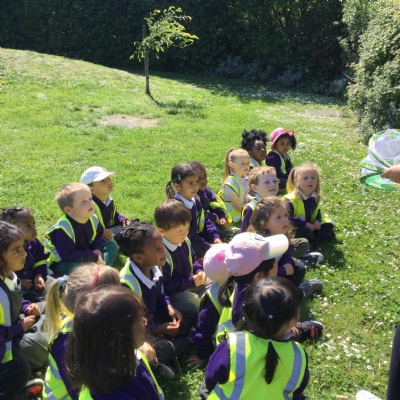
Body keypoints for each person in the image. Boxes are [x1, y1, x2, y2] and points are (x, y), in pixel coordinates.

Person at [204, 277, 309, 400]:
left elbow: (210, 379)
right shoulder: (298, 355)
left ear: (247, 312)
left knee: (204, 389)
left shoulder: (231, 346)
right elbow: (297, 392)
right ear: (293, 320)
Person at [115, 220, 196, 374]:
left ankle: (163, 357)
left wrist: (169, 307)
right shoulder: (127, 284)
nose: (164, 250)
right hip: (140, 331)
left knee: (189, 311)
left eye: (162, 245)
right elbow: (131, 326)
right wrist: (159, 329)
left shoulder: (155, 266)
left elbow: (161, 294)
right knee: (158, 348)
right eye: (157, 249)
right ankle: (189, 341)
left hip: (155, 317)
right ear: (139, 258)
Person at [66, 286, 164, 400]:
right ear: (117, 336)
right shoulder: (111, 396)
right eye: (138, 319)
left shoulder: (131, 356)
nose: (145, 321)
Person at [43, 264, 120, 400]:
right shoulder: (65, 344)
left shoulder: (97, 323)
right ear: (94, 306)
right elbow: (77, 391)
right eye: (116, 295)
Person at [0, 221, 43, 400]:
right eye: (16, 251)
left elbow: (15, 297)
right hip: (6, 346)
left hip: (12, 333)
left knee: (44, 308)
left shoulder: (9, 274)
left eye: (23, 247)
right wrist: (20, 328)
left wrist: (26, 307)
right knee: (22, 367)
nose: (25, 253)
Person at [249, 197, 323, 299]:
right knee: (272, 296)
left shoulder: (282, 235)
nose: (285, 220)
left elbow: (286, 253)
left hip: (277, 274)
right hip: (263, 284)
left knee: (299, 268)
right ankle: (300, 293)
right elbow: (263, 277)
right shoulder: (261, 246)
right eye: (278, 217)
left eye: (285, 215)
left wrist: (288, 263)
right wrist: (283, 270)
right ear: (265, 224)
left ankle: (290, 291)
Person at [155, 200, 209, 310]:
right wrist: (190, 282)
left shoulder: (185, 241)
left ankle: (207, 302)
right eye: (179, 231)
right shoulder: (162, 254)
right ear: (161, 231)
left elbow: (193, 259)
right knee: (193, 300)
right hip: (175, 293)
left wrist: (199, 271)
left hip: (190, 282)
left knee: (215, 278)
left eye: (187, 228)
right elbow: (166, 286)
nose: (185, 233)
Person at [45, 182, 105, 276]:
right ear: (69, 210)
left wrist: (97, 250)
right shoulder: (62, 229)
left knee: (111, 245)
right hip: (62, 262)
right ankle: (98, 271)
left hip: (85, 252)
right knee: (74, 267)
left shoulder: (93, 218)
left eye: (90, 198)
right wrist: (93, 256)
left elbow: (98, 236)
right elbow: (68, 255)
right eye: (83, 202)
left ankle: (99, 269)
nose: (90, 203)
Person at [166, 162, 222, 258]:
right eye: (190, 183)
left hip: (197, 238)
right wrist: (208, 246)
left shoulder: (194, 200)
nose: (195, 186)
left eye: (196, 182)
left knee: (217, 230)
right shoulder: (178, 208)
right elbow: (188, 235)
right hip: (186, 242)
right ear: (177, 186)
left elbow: (205, 221)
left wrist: (215, 237)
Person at [188, 243, 231, 368]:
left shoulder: (222, 288)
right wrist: (203, 354)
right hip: (222, 343)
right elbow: (204, 328)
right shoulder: (214, 296)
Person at [80, 166, 128, 267]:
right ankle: (103, 268)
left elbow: (114, 214)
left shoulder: (108, 199)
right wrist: (101, 232)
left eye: (108, 178)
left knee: (130, 228)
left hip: (107, 231)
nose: (109, 182)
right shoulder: (89, 205)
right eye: (103, 181)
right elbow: (85, 227)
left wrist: (122, 219)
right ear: (92, 190)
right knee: (112, 245)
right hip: (94, 239)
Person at [0, 206, 50, 302]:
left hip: (33, 280)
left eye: (34, 224)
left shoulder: (34, 243)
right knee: (25, 297)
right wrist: (19, 281)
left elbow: (40, 259)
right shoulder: (7, 249)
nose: (34, 229)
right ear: (12, 228)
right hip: (19, 287)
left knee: (55, 283)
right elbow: (8, 273)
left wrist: (38, 275)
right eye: (28, 226)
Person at [284, 164, 335, 249]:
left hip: (311, 225)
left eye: (313, 178)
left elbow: (317, 212)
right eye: (305, 178)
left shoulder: (315, 197)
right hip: (296, 227)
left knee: (328, 225)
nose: (310, 181)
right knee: (305, 231)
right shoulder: (290, 200)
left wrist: (317, 221)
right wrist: (304, 224)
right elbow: (286, 220)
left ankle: (314, 242)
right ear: (296, 181)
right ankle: (316, 241)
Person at [189, 161, 230, 232]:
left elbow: (215, 206)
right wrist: (214, 217)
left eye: (204, 176)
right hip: (197, 225)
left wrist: (222, 218)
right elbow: (199, 214)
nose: (203, 181)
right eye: (199, 178)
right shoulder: (192, 195)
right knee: (213, 227)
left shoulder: (207, 190)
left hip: (208, 218)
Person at [240, 166, 279, 232]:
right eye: (267, 182)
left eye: (275, 181)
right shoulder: (251, 208)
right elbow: (244, 233)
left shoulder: (278, 203)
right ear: (254, 188)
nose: (272, 184)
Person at [219, 148, 251, 223]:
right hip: (233, 215)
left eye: (248, 163)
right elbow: (238, 207)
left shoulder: (244, 177)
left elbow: (245, 195)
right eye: (242, 163)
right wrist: (252, 206)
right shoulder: (231, 183)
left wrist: (254, 200)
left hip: (243, 210)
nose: (246, 166)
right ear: (231, 164)